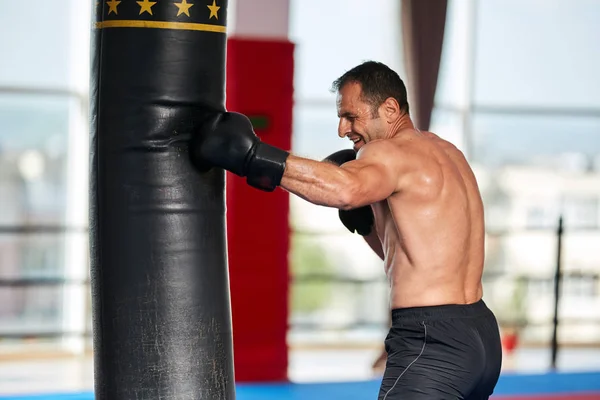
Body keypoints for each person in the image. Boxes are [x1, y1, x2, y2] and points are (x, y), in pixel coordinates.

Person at [189, 60, 502, 399]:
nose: (342, 129)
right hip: (480, 336)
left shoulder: (389, 152)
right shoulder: (447, 152)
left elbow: (345, 188)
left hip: (432, 341)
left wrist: (251, 156)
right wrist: (368, 225)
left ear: (391, 108)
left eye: (352, 116)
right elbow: (417, 256)